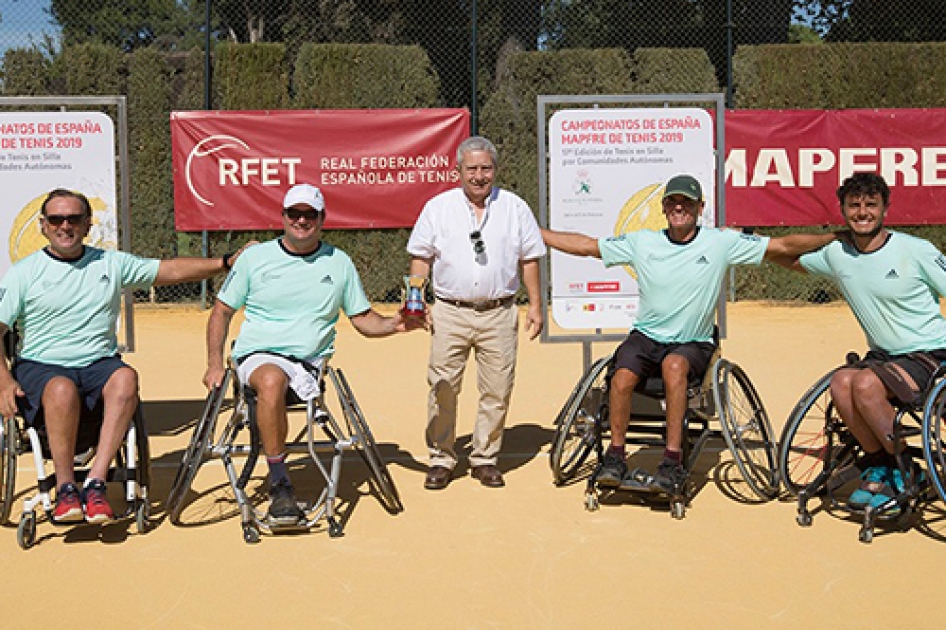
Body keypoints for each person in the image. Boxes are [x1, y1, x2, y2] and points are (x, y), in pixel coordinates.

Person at [542, 174, 838, 494]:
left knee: (674, 366)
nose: (679, 207)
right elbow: (586, 246)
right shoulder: (643, 241)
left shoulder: (720, 242)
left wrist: (835, 237)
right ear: (664, 207)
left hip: (693, 340)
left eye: (687, 202)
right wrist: (536, 233)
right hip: (646, 336)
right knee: (622, 374)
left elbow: (781, 246)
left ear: (700, 207)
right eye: (673, 202)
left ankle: (672, 460)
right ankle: (615, 456)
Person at [0, 188, 244, 524]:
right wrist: (3, 382)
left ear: (87, 224)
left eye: (74, 218)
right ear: (43, 226)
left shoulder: (110, 263)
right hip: (42, 365)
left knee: (126, 377)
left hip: (98, 363)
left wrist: (226, 262)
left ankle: (96, 483)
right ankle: (66, 487)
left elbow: (170, 271)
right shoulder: (23, 274)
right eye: (56, 219)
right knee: (60, 388)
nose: (65, 225)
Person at [204, 183, 422, 527]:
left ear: (322, 219)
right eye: (295, 213)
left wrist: (396, 323)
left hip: (309, 365)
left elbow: (363, 319)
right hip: (257, 356)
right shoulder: (254, 258)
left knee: (279, 378)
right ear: (283, 217)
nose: (301, 220)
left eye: (309, 214)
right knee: (272, 378)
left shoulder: (340, 263)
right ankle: (279, 483)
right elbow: (221, 312)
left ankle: (278, 469)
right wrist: (215, 365)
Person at [794, 172, 946, 514]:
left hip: (930, 354)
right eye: (855, 206)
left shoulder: (916, 250)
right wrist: (751, 243)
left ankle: (909, 470)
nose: (863, 212)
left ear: (885, 209)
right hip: (884, 356)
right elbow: (789, 257)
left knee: (863, 383)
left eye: (871, 205)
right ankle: (880, 463)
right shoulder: (838, 253)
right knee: (841, 381)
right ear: (843, 210)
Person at [407, 136, 546, 490]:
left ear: (495, 170)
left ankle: (484, 457)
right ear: (459, 171)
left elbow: (529, 259)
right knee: (442, 387)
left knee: (497, 390)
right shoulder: (438, 207)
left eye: (486, 168)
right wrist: (416, 300)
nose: (479, 176)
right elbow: (421, 258)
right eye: (472, 169)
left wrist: (536, 304)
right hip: (450, 312)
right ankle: (441, 457)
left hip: (499, 313)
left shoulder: (515, 207)